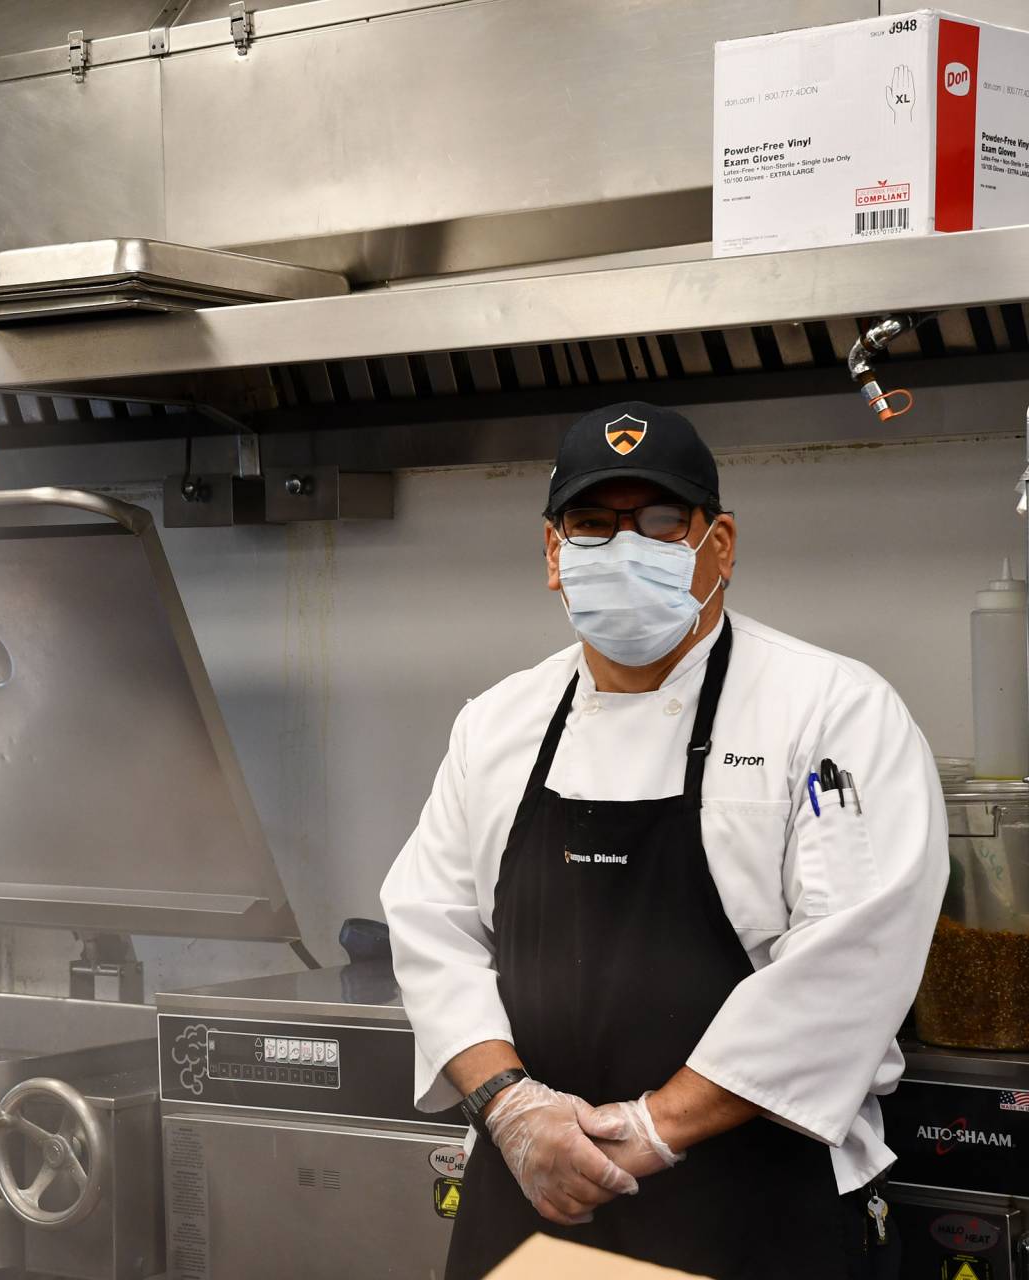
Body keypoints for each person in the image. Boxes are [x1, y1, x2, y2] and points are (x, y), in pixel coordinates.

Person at [381, 401, 946, 1279]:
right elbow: (431, 928)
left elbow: (851, 960)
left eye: (657, 521)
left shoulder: (830, 709)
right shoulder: (497, 722)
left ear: (718, 544)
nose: (622, 546)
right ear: (553, 554)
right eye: (593, 525)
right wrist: (511, 1107)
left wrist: (654, 1127)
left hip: (752, 1203)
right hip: (535, 1198)